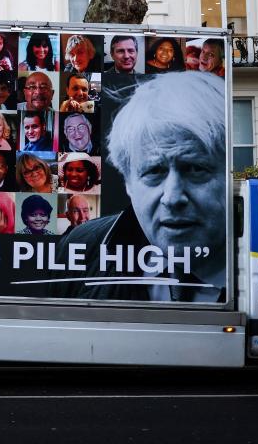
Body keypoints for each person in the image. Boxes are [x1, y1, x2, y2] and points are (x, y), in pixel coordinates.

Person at [50, 72, 227, 303]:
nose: (172, 198)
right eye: (154, 171)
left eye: (195, 169)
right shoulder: (82, 246)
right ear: (128, 183)